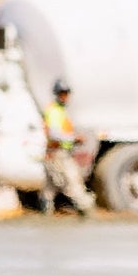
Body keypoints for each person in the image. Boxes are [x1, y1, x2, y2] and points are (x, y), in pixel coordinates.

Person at [41, 80, 94, 214]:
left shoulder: (60, 110)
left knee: (50, 187)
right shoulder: (54, 111)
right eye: (62, 93)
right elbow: (54, 134)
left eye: (66, 93)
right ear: (57, 94)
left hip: (57, 152)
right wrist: (74, 138)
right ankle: (86, 210)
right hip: (57, 153)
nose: (65, 96)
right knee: (72, 181)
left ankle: (45, 212)